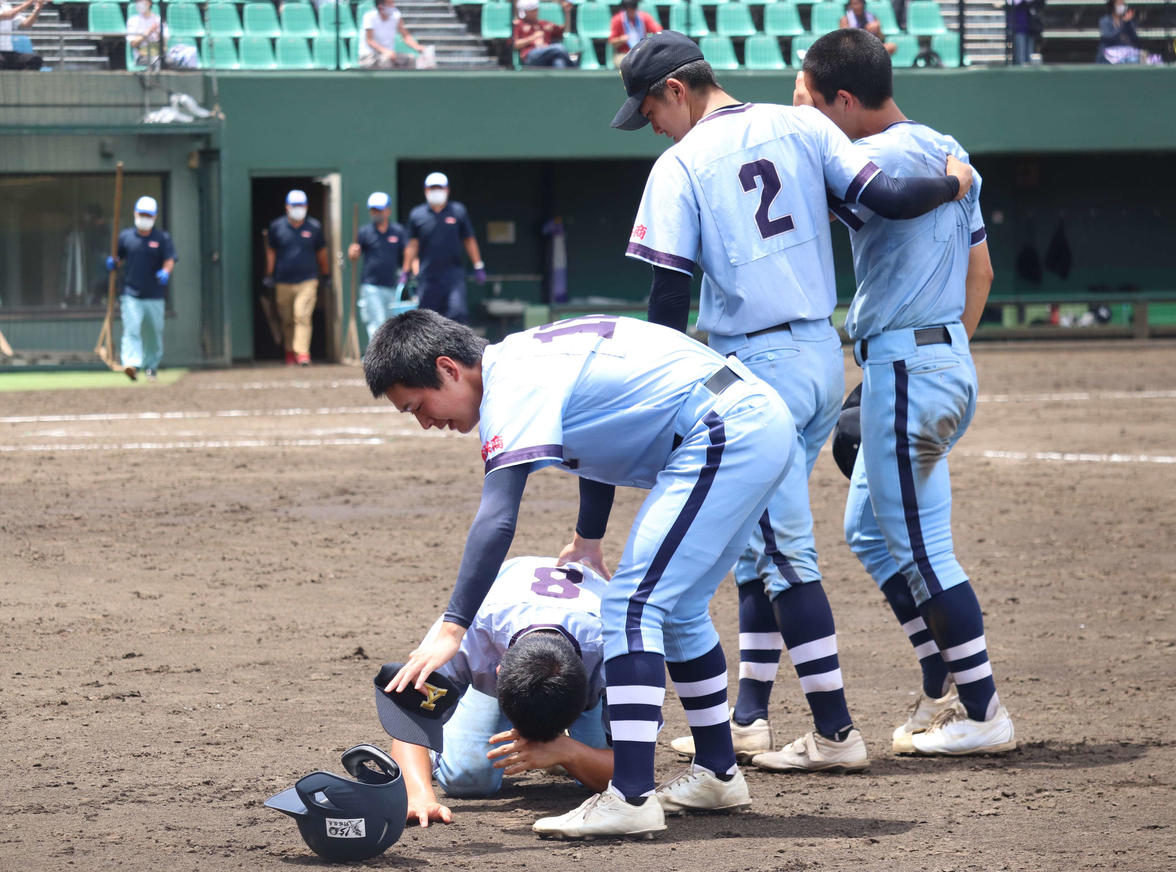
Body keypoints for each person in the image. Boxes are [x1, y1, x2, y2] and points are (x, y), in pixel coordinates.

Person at [611, 32, 972, 774]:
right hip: (817, 352)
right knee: (755, 539)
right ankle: (747, 718)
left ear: (677, 89)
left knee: (782, 549)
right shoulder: (803, 122)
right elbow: (892, 198)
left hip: (753, 366)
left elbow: (668, 295)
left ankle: (836, 733)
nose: (648, 122)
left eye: (648, 106)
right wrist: (955, 184)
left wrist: (664, 382)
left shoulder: (680, 163)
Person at [367, 309, 798, 839]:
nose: (425, 421)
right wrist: (588, 537)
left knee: (632, 607)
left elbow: (498, 516)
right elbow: (599, 442)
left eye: (418, 405)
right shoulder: (527, 356)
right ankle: (717, 773)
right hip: (748, 418)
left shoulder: (510, 382)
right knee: (679, 609)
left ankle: (631, 796)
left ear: (449, 368)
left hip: (723, 428)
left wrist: (455, 625)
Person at [796, 29, 1013, 756]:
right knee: (868, 529)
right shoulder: (946, 143)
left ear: (846, 99)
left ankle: (985, 714)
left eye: (815, 104)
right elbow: (979, 274)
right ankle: (941, 677)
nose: (813, 120)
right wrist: (944, 354)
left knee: (923, 550)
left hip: (908, 367)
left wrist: (913, 358)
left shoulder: (870, 160)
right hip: (943, 359)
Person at [374, 556, 613, 827]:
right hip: (499, 642)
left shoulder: (617, 650)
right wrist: (419, 795)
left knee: (599, 782)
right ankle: (441, 745)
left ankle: (570, 743)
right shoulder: (467, 631)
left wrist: (570, 751)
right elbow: (410, 710)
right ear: (497, 672)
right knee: (467, 780)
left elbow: (633, 772)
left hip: (583, 656)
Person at [104, 195, 176, 382]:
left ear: (154, 216)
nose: (144, 218)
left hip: (154, 295)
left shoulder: (162, 238)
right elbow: (118, 258)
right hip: (131, 294)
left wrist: (166, 272)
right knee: (132, 329)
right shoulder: (126, 237)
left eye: (148, 215)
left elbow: (169, 259)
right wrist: (113, 263)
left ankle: (151, 367)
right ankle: (132, 365)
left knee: (153, 332)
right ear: (135, 213)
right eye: (142, 214)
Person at [404, 172, 484, 324]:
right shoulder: (417, 214)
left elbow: (469, 239)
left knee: (457, 313)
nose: (436, 191)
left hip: (454, 275)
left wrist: (478, 265)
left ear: (447, 190)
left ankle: (459, 348)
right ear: (426, 191)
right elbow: (413, 245)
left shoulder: (458, 211)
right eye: (432, 188)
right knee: (427, 319)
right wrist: (406, 270)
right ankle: (429, 349)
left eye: (439, 188)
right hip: (427, 276)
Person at [264, 189, 328, 366]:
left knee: (302, 314)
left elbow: (321, 252)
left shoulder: (314, 227)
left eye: (301, 205)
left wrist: (326, 273)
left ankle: (302, 353)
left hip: (308, 279)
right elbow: (271, 251)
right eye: (294, 206)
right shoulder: (277, 226)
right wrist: (269, 274)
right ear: (287, 207)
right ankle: (290, 351)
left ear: (306, 206)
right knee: (287, 318)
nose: (298, 209)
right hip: (283, 280)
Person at [348, 191, 410, 343]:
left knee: (390, 324)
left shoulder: (398, 231)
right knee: (377, 321)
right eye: (373, 210)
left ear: (388, 210)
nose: (376, 213)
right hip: (371, 285)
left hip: (391, 285)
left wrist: (406, 271)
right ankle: (377, 358)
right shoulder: (364, 232)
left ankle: (386, 358)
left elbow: (408, 251)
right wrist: (353, 252)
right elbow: (353, 254)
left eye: (379, 210)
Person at [513, 0, 577, 68]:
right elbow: (515, 44)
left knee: (559, 61)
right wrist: (533, 37)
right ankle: (574, 66)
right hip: (530, 55)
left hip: (548, 53)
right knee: (559, 48)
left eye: (535, 10)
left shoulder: (543, 24)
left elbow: (565, 31)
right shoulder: (519, 24)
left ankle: (562, 77)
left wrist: (567, 13)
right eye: (531, 10)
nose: (535, 12)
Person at [359, 0, 422, 69]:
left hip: (390, 55)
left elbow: (405, 35)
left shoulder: (396, 15)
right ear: (380, 7)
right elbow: (370, 41)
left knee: (411, 59)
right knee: (386, 60)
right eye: (390, 4)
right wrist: (386, 51)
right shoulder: (369, 17)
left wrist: (417, 47)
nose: (393, 6)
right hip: (369, 56)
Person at [608, 0, 661, 67]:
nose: (631, 10)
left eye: (633, 7)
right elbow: (612, 42)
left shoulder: (644, 17)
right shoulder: (617, 19)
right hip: (624, 53)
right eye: (628, 7)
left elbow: (659, 31)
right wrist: (621, 39)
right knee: (626, 64)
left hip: (642, 52)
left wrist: (650, 40)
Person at [0, 0, 43, 70]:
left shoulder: (6, 6)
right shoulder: (9, 11)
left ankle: (24, 80)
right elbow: (8, 15)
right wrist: (30, 1)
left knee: (35, 60)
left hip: (8, 52)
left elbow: (26, 23)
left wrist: (37, 9)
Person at [126, 0, 167, 69]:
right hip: (141, 58)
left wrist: (158, 33)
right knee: (157, 61)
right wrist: (148, 32)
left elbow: (165, 42)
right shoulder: (133, 20)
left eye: (142, 1)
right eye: (138, 2)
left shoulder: (158, 19)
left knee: (171, 59)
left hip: (158, 53)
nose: (139, 4)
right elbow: (133, 43)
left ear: (149, 3)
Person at [1006, 0, 1041, 64]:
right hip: (1018, 28)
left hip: (1031, 28)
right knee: (1020, 57)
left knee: (1029, 56)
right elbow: (1011, 3)